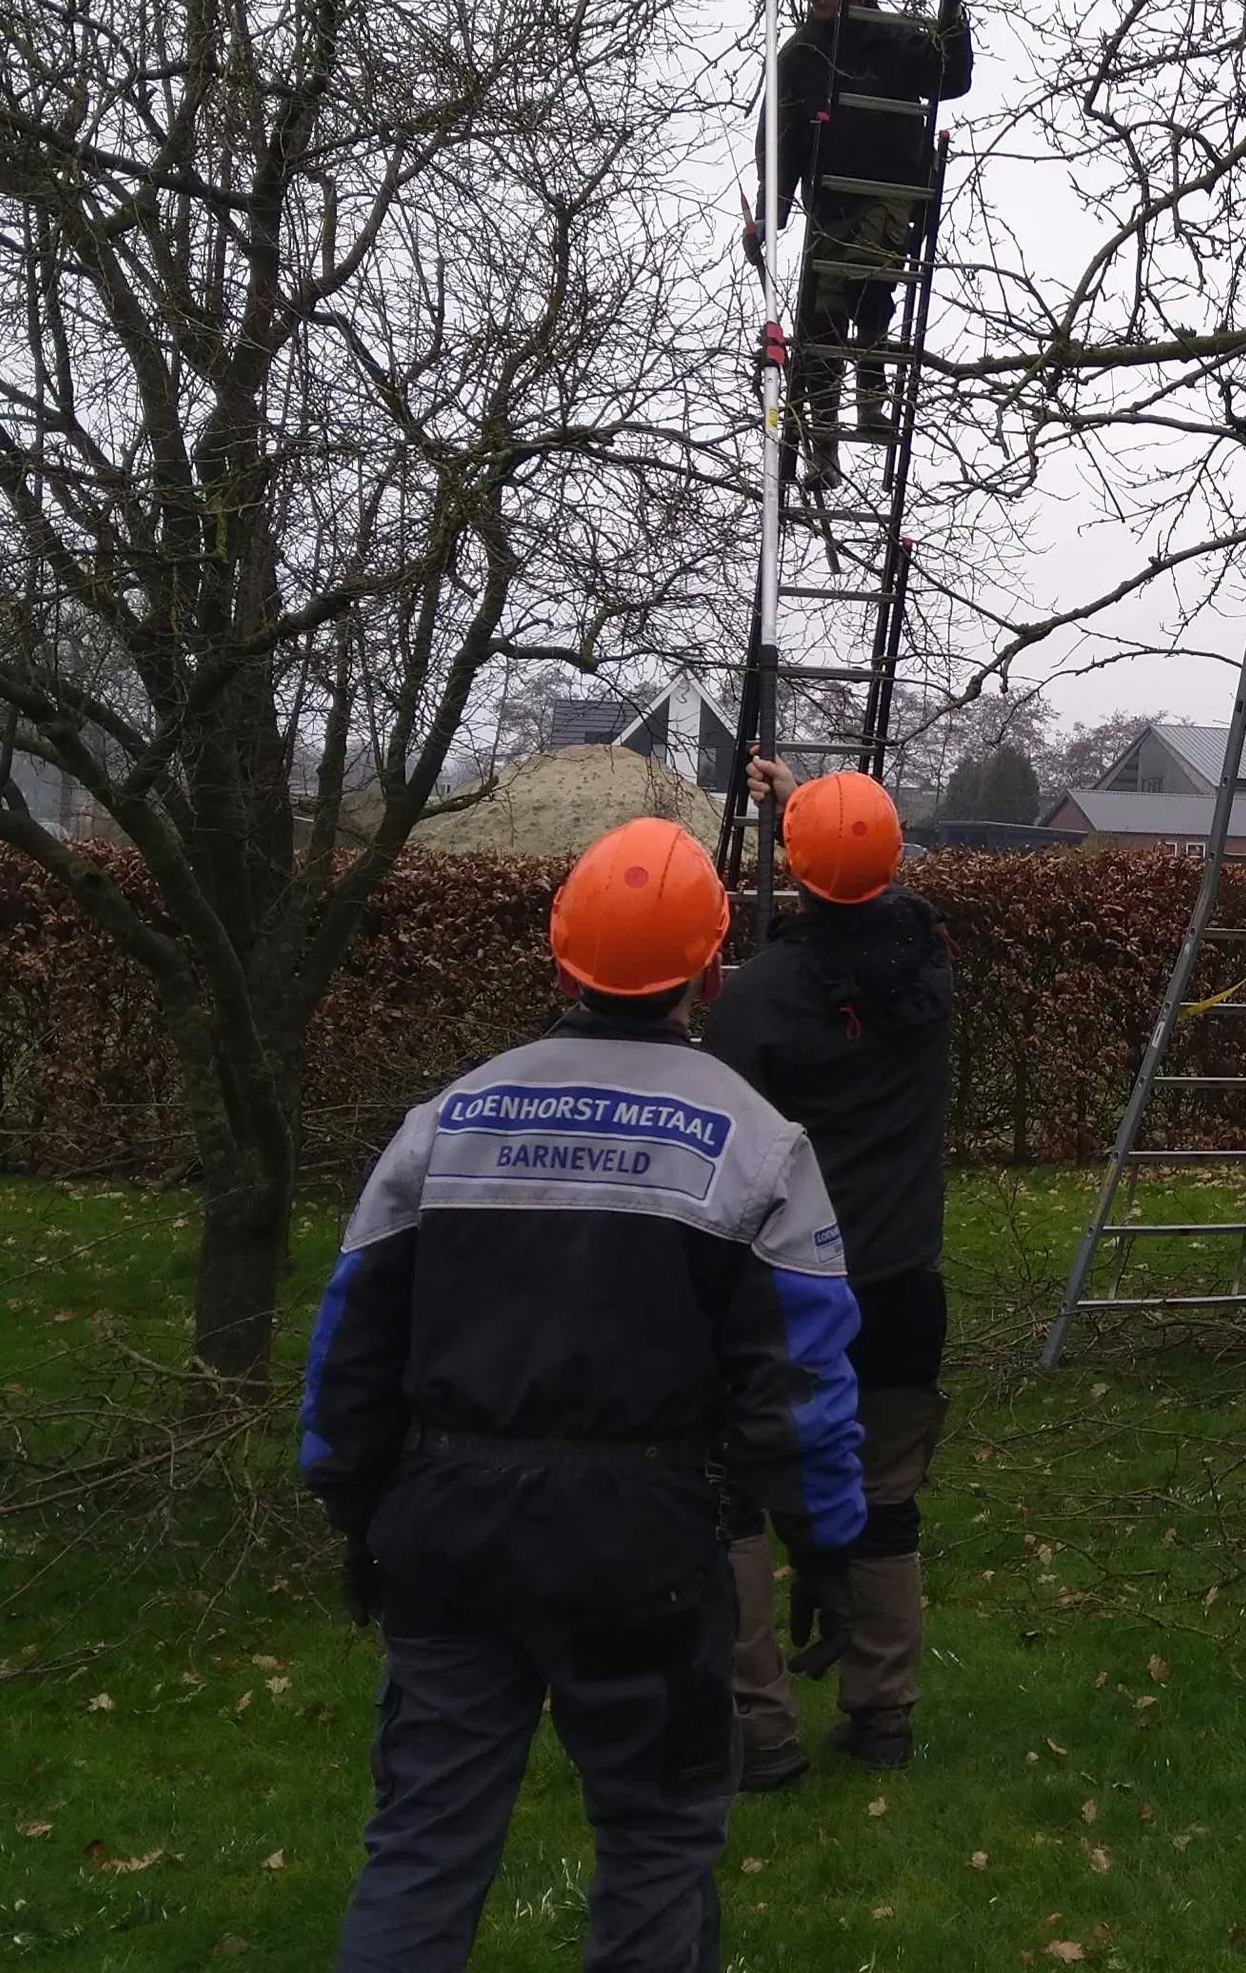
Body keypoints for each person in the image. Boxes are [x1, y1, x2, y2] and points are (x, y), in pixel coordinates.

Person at [302, 817, 869, 1969]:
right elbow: (801, 1386)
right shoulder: (758, 1147)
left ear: (561, 959)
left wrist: (356, 1507)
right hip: (646, 1559)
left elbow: (350, 1350)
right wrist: (828, 1550)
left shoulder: (443, 1125)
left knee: (421, 1847)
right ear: (711, 969)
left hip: (447, 1536)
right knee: (657, 1848)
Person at [705, 758, 955, 1781]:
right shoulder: (928, 974)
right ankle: (883, 1715)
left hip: (783, 1295)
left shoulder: (759, 999)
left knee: (732, 1497)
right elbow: (872, 912)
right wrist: (798, 808)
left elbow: (718, 1141)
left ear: (801, 878)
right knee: (887, 1499)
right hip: (902, 1291)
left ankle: (757, 1732)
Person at [743, 0, 973, 489]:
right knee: (822, 321)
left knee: (871, 284)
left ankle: (871, 395)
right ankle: (826, 441)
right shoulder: (801, 55)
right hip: (832, 200)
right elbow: (781, 138)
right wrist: (769, 218)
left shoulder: (895, 38)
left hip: (895, 188)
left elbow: (951, 77)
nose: (825, 1)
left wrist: (953, 15)